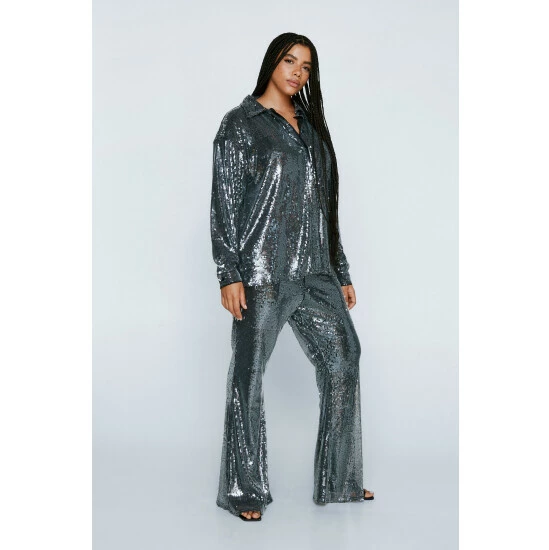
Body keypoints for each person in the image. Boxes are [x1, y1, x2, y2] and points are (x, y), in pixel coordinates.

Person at [210, 32, 374, 522]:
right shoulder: (241, 124)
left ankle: (341, 481)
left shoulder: (311, 126)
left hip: (317, 271)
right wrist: (229, 272)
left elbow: (325, 206)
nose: (297, 73)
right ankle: (243, 490)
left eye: (306, 67)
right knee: (248, 374)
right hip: (262, 272)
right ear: (271, 63)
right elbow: (225, 203)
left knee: (345, 356)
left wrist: (340, 268)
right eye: (290, 61)